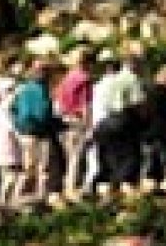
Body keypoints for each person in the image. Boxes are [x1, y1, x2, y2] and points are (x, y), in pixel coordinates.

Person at [94, 55, 145, 186]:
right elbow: (137, 103)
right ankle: (128, 197)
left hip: (105, 123)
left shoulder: (110, 80)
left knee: (110, 164)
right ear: (135, 65)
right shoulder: (132, 79)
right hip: (123, 121)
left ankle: (108, 194)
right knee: (129, 162)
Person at [11, 62, 58, 200]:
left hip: (24, 133)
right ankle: (41, 196)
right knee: (43, 168)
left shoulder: (22, 89)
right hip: (41, 133)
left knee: (28, 168)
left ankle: (16, 196)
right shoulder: (42, 90)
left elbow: (13, 108)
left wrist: (18, 124)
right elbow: (45, 112)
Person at [53, 49, 93, 194]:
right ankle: (72, 190)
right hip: (77, 121)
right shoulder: (84, 79)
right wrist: (89, 127)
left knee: (68, 158)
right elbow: (86, 105)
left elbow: (57, 103)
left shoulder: (65, 79)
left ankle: (67, 188)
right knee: (76, 158)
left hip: (63, 121)